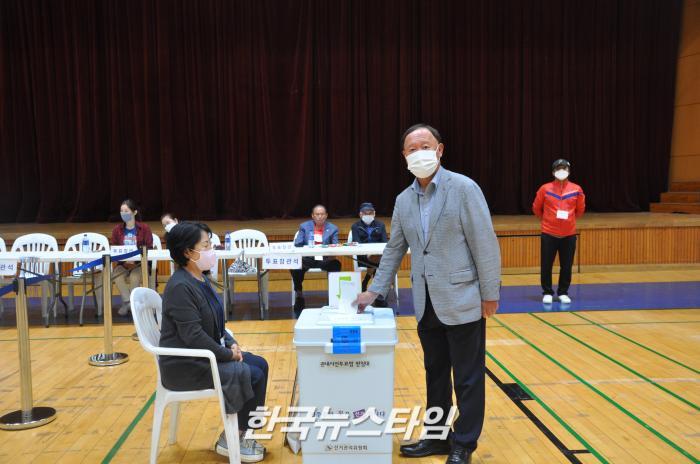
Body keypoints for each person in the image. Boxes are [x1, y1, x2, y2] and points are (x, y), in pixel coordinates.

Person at [354, 124, 501, 464]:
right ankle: (437, 437)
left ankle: (464, 443)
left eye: (425, 145)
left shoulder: (464, 188)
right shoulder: (403, 200)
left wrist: (490, 292)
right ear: (404, 157)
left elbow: (484, 243)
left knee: (467, 378)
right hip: (426, 303)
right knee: (435, 375)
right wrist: (374, 290)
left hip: (463, 298)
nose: (418, 152)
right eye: (412, 149)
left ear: (439, 150)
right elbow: (395, 249)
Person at [159, 222, 268, 461]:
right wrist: (227, 354)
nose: (212, 251)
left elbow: (217, 321)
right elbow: (193, 336)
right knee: (253, 374)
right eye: (206, 245)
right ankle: (232, 439)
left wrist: (230, 342)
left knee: (260, 364)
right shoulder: (180, 287)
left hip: (205, 355)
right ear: (188, 252)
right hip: (186, 365)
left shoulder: (200, 278)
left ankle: (240, 434)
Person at [532, 159, 585, 304]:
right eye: (558, 168)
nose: (561, 171)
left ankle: (563, 292)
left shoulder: (577, 189)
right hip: (549, 233)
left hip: (569, 234)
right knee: (546, 265)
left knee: (566, 265)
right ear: (553, 171)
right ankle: (547, 292)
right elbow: (536, 208)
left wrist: (570, 221)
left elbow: (580, 210)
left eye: (564, 168)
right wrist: (547, 220)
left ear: (568, 171)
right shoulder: (545, 189)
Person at [290, 204, 341, 316]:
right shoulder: (304, 226)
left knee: (336, 264)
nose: (320, 216)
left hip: (324, 259)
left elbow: (335, 245)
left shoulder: (333, 228)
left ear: (326, 215)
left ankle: (333, 296)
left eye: (322, 214)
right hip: (308, 258)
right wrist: (304, 237)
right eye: (317, 214)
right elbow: (297, 243)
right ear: (312, 216)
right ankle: (299, 295)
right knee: (295, 265)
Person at [110, 199, 153, 316]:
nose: (123, 213)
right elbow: (114, 249)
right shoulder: (117, 230)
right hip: (123, 264)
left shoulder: (144, 228)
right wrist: (124, 261)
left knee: (134, 277)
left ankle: (130, 304)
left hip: (139, 264)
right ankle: (129, 303)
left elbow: (149, 247)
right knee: (116, 275)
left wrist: (136, 259)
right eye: (121, 211)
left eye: (126, 211)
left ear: (134, 212)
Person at [350, 202, 389, 306]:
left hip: (378, 255)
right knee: (381, 265)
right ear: (360, 214)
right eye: (365, 213)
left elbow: (385, 242)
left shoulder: (380, 225)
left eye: (370, 213)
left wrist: (375, 252)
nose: (368, 215)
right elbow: (356, 243)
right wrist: (368, 252)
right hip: (362, 256)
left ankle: (367, 279)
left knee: (378, 259)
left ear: (374, 213)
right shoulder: (355, 226)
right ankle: (379, 295)